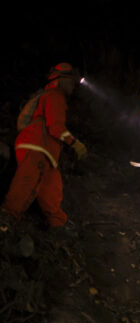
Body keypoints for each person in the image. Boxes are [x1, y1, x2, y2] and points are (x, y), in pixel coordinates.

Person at [1, 62, 87, 228]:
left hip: (45, 151)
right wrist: (74, 143)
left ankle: (57, 224)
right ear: (60, 80)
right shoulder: (55, 96)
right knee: (26, 183)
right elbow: (55, 127)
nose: (72, 86)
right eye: (70, 81)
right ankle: (6, 219)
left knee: (51, 188)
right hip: (36, 146)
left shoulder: (49, 96)